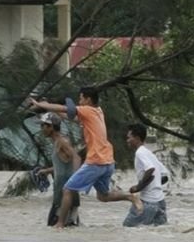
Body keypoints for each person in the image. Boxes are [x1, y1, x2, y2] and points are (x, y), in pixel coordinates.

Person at [30, 87, 143, 229]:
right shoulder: (97, 111)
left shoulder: (87, 110)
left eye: (81, 98)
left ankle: (59, 225)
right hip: (108, 160)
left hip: (96, 160)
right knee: (103, 196)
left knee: (67, 189)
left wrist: (41, 105)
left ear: (88, 99)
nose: (79, 101)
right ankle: (130, 197)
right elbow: (69, 115)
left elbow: (65, 109)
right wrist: (51, 108)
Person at [36, 112, 82, 226]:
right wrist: (47, 171)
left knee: (54, 226)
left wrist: (75, 179)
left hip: (65, 196)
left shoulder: (62, 141)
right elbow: (65, 165)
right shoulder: (57, 142)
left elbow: (76, 157)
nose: (41, 129)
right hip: (62, 196)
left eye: (43, 125)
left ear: (51, 127)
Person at [123, 123, 168, 227]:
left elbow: (150, 169)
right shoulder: (149, 153)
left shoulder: (140, 153)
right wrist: (152, 184)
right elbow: (164, 176)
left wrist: (139, 187)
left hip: (147, 203)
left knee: (128, 228)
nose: (127, 140)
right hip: (160, 202)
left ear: (137, 138)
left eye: (129, 137)